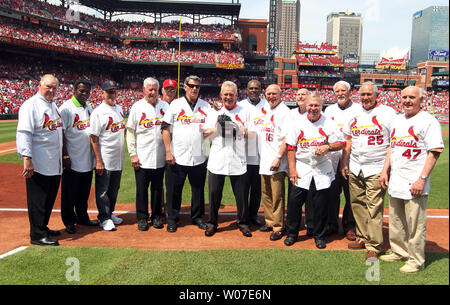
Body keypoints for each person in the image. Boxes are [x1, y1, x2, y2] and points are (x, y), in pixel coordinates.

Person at [379, 86, 444, 273]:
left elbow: (434, 152)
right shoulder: (398, 120)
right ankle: (399, 252)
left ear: (421, 100)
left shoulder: (428, 121)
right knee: (396, 219)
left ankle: (416, 260)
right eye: (404, 97)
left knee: (416, 224)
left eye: (412, 97)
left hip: (415, 180)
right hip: (397, 178)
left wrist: (422, 179)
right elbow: (392, 147)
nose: (407, 100)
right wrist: (385, 170)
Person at [340, 82, 396, 261]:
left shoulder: (388, 113)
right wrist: (343, 163)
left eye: (369, 94)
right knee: (358, 204)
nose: (365, 98)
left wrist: (386, 169)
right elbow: (348, 140)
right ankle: (363, 237)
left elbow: (392, 144)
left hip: (377, 167)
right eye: (362, 94)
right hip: (356, 166)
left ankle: (374, 245)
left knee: (374, 207)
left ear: (376, 95)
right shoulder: (354, 113)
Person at [284, 94, 344, 249]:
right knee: (294, 202)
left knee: (320, 204)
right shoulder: (297, 123)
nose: (313, 108)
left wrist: (328, 147)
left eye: (316, 105)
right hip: (302, 166)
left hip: (322, 167)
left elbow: (342, 143)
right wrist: (292, 169)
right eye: (310, 105)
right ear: (306, 105)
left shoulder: (329, 123)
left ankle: (319, 235)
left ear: (321, 106)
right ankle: (292, 233)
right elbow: (291, 147)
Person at [16, 74, 63, 246]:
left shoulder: (53, 106)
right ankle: (37, 234)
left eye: (54, 87)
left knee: (49, 198)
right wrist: (27, 159)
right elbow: (24, 133)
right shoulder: (31, 105)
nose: (51, 90)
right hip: (39, 162)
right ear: (40, 85)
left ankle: (42, 226)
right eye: (48, 86)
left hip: (53, 162)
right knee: (38, 199)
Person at [203, 81, 252, 237]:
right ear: (221, 95)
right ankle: (212, 223)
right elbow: (204, 133)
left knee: (242, 195)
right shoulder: (213, 111)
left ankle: (243, 222)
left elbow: (252, 134)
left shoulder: (245, 111)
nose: (228, 97)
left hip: (238, 159)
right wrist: (219, 128)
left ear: (237, 95)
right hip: (218, 158)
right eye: (226, 94)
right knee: (214, 193)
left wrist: (237, 129)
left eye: (231, 94)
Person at [162, 75, 210, 233]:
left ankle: (197, 217)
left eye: (197, 86)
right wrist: (168, 151)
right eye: (191, 85)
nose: (194, 88)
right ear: (185, 87)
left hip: (199, 155)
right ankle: (172, 218)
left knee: (198, 190)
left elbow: (212, 129)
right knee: (174, 190)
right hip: (178, 155)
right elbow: (165, 128)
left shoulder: (206, 106)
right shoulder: (176, 105)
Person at [127, 78, 168, 231]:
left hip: (160, 156)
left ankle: (157, 216)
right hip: (142, 157)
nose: (152, 92)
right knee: (141, 190)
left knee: (158, 189)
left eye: (155, 90)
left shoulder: (165, 106)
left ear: (159, 91)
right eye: (150, 89)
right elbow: (130, 132)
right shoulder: (137, 107)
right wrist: (132, 154)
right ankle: (142, 217)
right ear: (144, 90)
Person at [324, 81, 362, 240]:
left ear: (350, 92)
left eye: (343, 90)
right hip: (332, 156)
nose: (340, 93)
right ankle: (332, 224)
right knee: (332, 193)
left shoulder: (359, 109)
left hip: (351, 157)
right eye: (337, 91)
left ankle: (349, 225)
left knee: (350, 193)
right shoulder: (329, 109)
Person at [59, 79, 98, 234]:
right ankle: (68, 220)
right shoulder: (66, 108)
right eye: (81, 91)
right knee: (69, 193)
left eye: (87, 91)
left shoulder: (89, 107)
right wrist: (65, 156)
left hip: (86, 158)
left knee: (84, 192)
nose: (84, 94)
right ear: (74, 90)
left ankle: (82, 216)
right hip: (73, 158)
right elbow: (61, 133)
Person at [88, 80, 126, 231]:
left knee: (114, 188)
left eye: (114, 91)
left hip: (118, 157)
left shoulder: (119, 108)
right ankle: (103, 217)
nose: (112, 94)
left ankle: (109, 213)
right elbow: (94, 137)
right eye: (109, 91)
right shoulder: (98, 112)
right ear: (103, 93)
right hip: (105, 156)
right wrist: (98, 160)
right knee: (103, 189)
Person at [258, 84, 290, 241]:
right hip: (264, 159)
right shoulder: (267, 109)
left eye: (274, 94)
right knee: (267, 194)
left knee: (277, 195)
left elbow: (286, 138)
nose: (271, 96)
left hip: (276, 160)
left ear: (280, 94)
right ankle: (270, 221)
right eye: (268, 94)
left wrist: (278, 157)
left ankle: (278, 226)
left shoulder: (284, 112)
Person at [237, 79, 267, 227]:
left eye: (257, 88)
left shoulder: (267, 106)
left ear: (261, 89)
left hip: (262, 154)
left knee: (256, 189)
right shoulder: (240, 106)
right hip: (244, 153)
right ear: (246, 90)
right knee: (243, 189)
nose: (254, 91)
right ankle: (242, 216)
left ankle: (253, 214)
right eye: (251, 88)